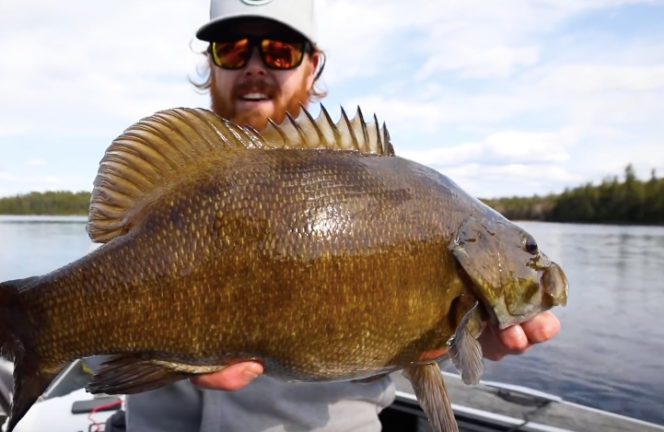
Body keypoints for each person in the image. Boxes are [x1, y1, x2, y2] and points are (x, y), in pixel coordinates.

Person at [125, 0, 562, 430]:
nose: (254, 66)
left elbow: (411, 341)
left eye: (279, 51)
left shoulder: (398, 191)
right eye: (233, 50)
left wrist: (455, 338)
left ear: (312, 65)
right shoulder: (162, 194)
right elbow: (92, 327)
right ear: (211, 63)